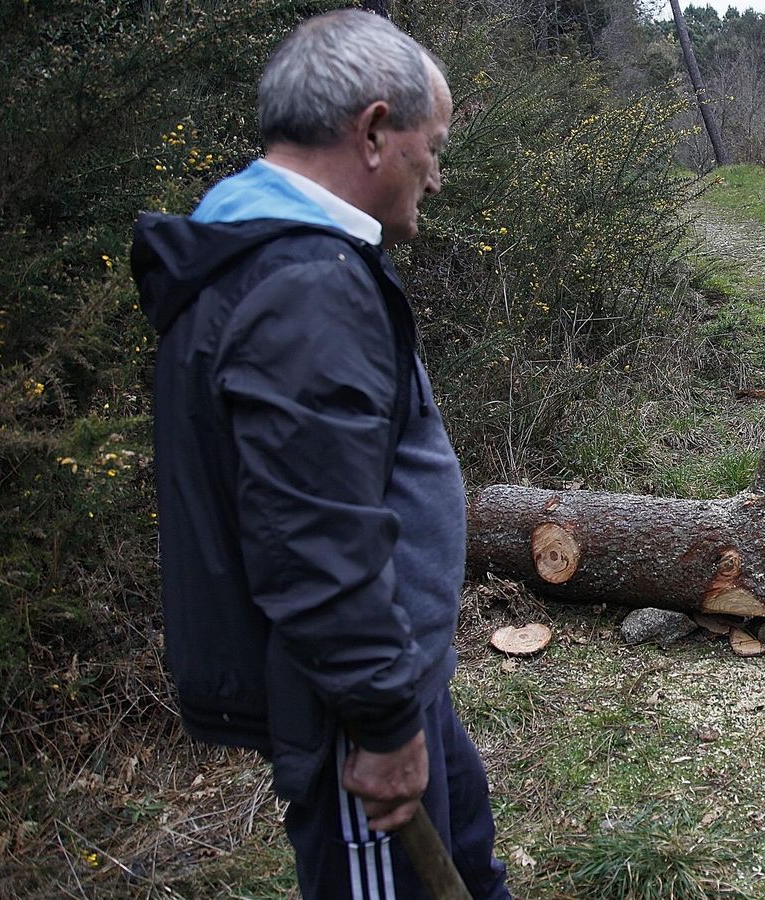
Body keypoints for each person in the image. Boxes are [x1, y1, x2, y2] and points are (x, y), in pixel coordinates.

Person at [130, 11, 509, 898]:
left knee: (470, 860)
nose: (437, 175)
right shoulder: (301, 287)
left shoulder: (293, 264)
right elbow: (312, 538)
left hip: (385, 679)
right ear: (375, 130)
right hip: (348, 705)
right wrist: (380, 724)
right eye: (433, 144)